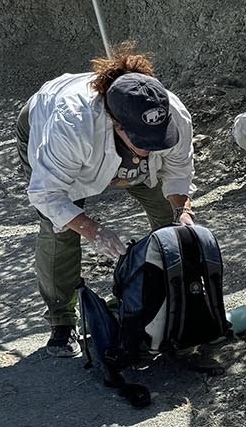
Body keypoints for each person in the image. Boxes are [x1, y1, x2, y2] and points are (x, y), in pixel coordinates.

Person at [17, 44, 198, 357]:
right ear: (115, 122)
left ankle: (164, 297)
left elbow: (178, 173)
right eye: (143, 141)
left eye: (159, 139)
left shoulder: (175, 115)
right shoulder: (71, 124)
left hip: (122, 162)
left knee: (171, 224)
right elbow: (47, 195)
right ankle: (62, 321)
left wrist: (182, 213)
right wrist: (94, 231)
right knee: (60, 228)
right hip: (46, 128)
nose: (152, 148)